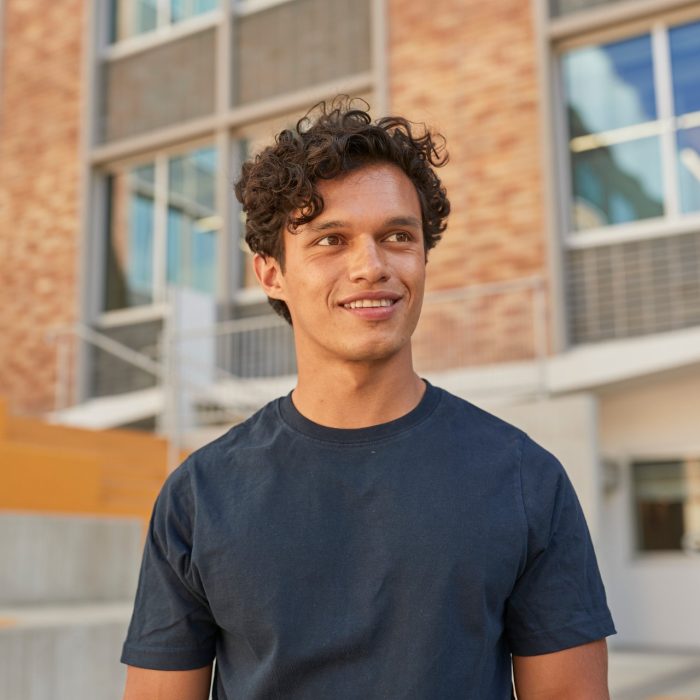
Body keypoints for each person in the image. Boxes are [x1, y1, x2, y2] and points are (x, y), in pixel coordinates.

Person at [121, 98, 615, 699]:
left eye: (397, 236)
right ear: (271, 273)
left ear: (423, 257)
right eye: (331, 239)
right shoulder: (200, 496)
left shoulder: (523, 479)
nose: (371, 266)